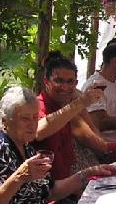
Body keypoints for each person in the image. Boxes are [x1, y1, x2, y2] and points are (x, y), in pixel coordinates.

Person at [34, 51, 106, 184]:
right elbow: (38, 131)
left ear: (76, 83)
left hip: (68, 188)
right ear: (46, 82)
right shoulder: (38, 105)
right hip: (47, 195)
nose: (65, 87)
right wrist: (81, 102)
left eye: (70, 82)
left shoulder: (69, 107)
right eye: (58, 81)